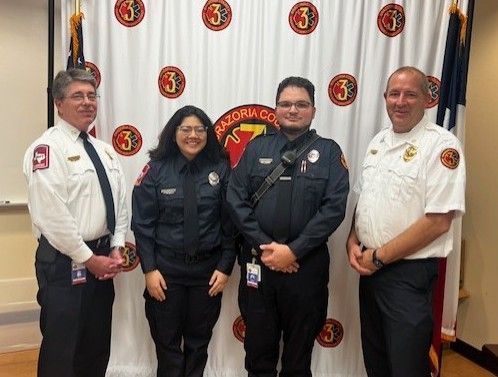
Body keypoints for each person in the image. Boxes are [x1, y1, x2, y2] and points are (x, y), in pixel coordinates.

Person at [346, 66, 466, 377]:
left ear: (427, 99)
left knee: (406, 368)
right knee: (377, 363)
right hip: (370, 272)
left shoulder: (441, 147)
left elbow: (439, 221)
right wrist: (352, 238)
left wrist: (378, 257)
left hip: (407, 275)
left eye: (410, 94)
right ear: (385, 98)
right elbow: (365, 198)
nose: (400, 101)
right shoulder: (378, 142)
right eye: (394, 94)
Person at [227, 76, 349, 376]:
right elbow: (235, 198)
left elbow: (334, 209)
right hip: (259, 264)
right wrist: (268, 248)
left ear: (313, 110)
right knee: (258, 352)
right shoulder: (257, 148)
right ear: (276, 109)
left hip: (305, 268)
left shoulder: (330, 153)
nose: (292, 110)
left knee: (298, 356)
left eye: (301, 104)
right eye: (285, 104)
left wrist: (293, 251)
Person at [23, 68, 128, 377]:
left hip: (101, 260)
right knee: (62, 350)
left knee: (95, 348)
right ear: (58, 103)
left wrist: (117, 245)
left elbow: (119, 201)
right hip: (63, 263)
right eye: (77, 96)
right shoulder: (47, 149)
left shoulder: (104, 150)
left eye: (91, 96)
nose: (87, 102)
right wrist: (87, 258)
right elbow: (52, 216)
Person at [131, 105, 236, 377]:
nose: (193, 135)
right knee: (166, 344)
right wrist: (149, 270)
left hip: (207, 273)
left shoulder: (221, 170)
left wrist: (225, 268)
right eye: (186, 129)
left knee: (198, 344)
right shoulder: (155, 170)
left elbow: (231, 224)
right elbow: (143, 225)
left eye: (200, 129)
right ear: (174, 133)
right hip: (166, 272)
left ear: (208, 134)